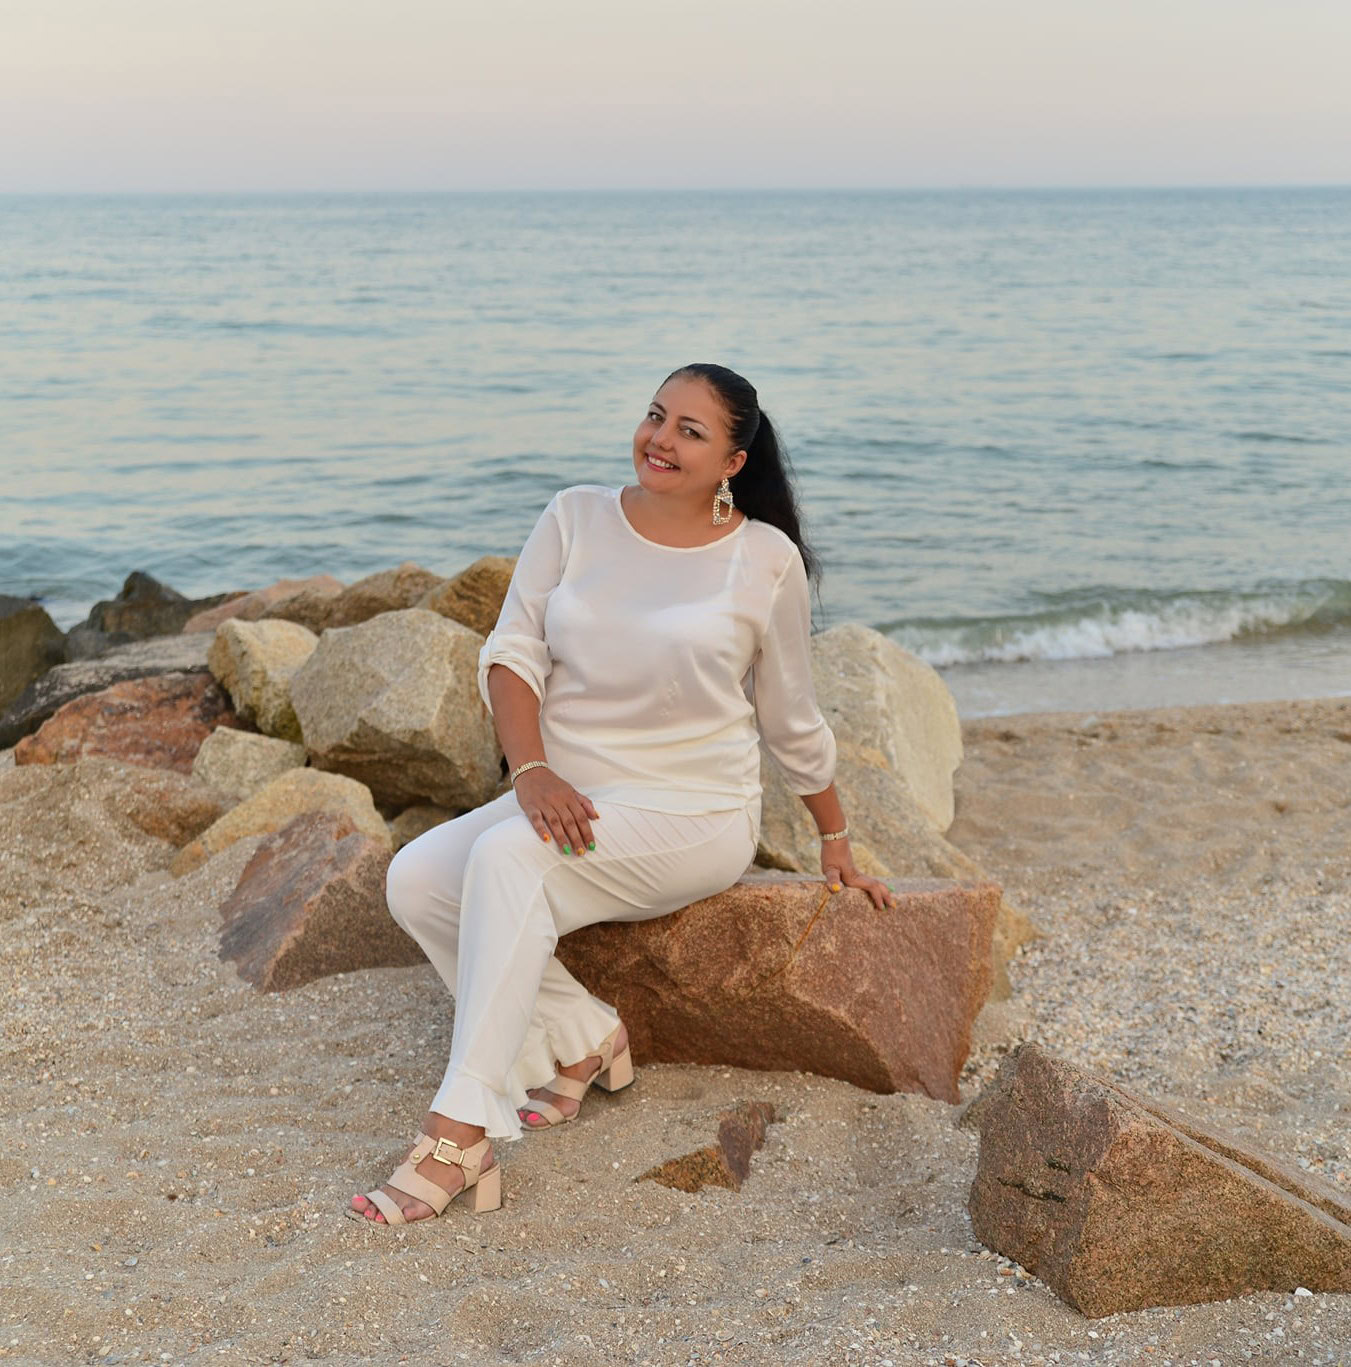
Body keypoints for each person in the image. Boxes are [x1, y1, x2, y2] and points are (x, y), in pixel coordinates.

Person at [349, 362, 897, 1225]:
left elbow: (790, 714)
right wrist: (531, 770)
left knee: (508, 857)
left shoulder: (764, 559)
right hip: (564, 790)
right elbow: (512, 653)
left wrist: (834, 838)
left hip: (691, 810)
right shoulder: (574, 516)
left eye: (689, 430)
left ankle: (458, 1138)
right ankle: (584, 1037)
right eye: (654, 415)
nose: (659, 439)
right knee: (415, 878)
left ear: (733, 462)